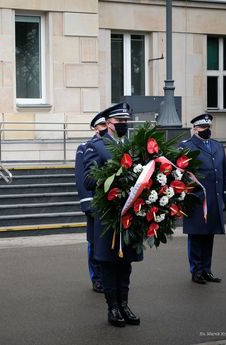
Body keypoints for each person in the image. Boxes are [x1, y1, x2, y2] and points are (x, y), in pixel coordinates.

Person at [83, 102, 141, 327]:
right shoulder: (95, 146)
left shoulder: (133, 145)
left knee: (125, 262)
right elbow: (88, 180)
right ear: (108, 124)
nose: (124, 125)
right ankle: (113, 307)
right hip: (108, 214)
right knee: (109, 262)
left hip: (129, 214)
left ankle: (125, 304)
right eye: (120, 122)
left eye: (126, 121)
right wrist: (112, 181)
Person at [179, 113, 226, 284]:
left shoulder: (217, 146)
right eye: (202, 127)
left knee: (209, 235)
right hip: (196, 199)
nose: (206, 130)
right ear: (194, 129)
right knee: (196, 236)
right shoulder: (185, 146)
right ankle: (196, 271)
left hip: (214, 197)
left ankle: (207, 269)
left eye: (208, 127)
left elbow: (224, 171)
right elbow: (179, 173)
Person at [74, 112, 107, 293]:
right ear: (95, 128)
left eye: (106, 125)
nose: (105, 129)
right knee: (94, 242)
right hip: (94, 202)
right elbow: (81, 177)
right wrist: (87, 202)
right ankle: (97, 278)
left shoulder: (112, 146)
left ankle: (108, 276)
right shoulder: (85, 146)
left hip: (110, 204)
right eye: (102, 126)